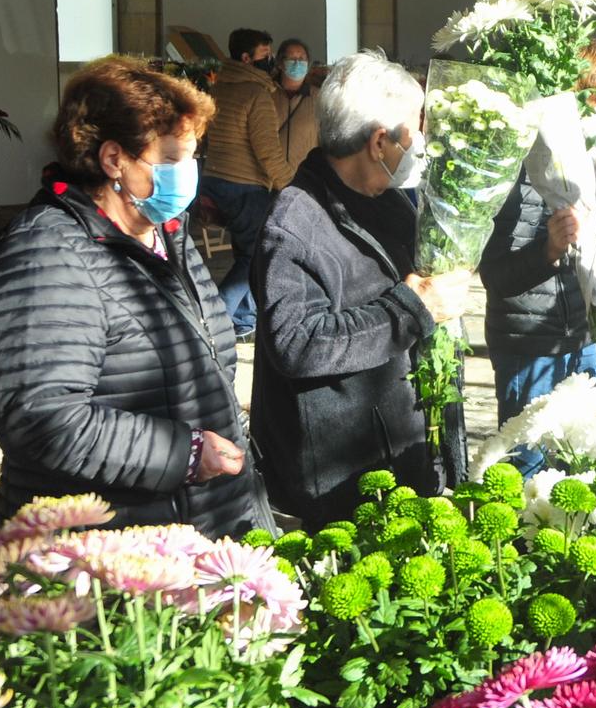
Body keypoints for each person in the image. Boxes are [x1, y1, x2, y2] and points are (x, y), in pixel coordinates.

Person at [0, 58, 268, 538]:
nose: (188, 173)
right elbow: (43, 418)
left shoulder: (165, 231)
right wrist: (185, 454)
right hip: (113, 543)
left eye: (193, 157)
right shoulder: (46, 251)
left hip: (202, 519)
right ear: (114, 160)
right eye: (172, 159)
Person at [248, 52, 476, 523]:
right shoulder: (296, 222)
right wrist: (411, 309)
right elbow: (296, 343)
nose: (423, 142)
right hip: (340, 481)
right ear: (379, 141)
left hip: (402, 452)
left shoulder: (391, 201)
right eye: (417, 128)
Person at [479, 42, 596, 425]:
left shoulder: (585, 161)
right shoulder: (519, 168)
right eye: (595, 99)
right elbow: (494, 275)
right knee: (527, 464)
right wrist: (549, 250)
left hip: (580, 337)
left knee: (587, 460)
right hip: (529, 347)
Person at [203, 27, 285, 340]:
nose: (272, 62)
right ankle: (216, 318)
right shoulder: (257, 94)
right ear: (247, 58)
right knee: (257, 256)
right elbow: (268, 151)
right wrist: (291, 185)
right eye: (267, 56)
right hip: (245, 187)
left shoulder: (219, 87)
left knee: (245, 253)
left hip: (214, 181)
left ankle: (243, 320)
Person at [271, 37, 320, 181]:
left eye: (302, 59)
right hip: (268, 180)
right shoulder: (266, 94)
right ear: (280, 63)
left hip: (304, 179)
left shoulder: (318, 98)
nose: (298, 63)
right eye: (292, 58)